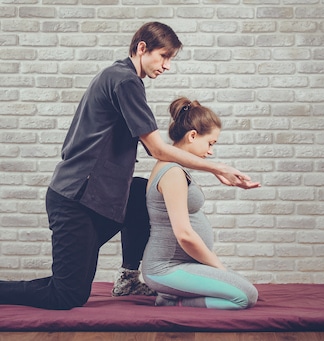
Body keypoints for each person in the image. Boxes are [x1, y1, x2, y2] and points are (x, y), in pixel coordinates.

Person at [0, 22, 259, 310]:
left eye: (170, 59)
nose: (167, 66)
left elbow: (152, 149)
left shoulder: (122, 78)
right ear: (141, 48)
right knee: (67, 295)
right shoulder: (125, 81)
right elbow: (158, 148)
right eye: (164, 56)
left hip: (98, 199)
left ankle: (127, 277)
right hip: (75, 200)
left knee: (139, 193)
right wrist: (218, 168)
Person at [141, 97, 258, 309]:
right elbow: (184, 235)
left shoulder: (175, 167)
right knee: (245, 296)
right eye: (210, 143)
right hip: (166, 269)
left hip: (181, 266)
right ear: (193, 136)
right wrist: (219, 268)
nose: (211, 151)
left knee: (243, 288)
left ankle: (171, 298)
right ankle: (173, 301)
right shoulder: (173, 172)